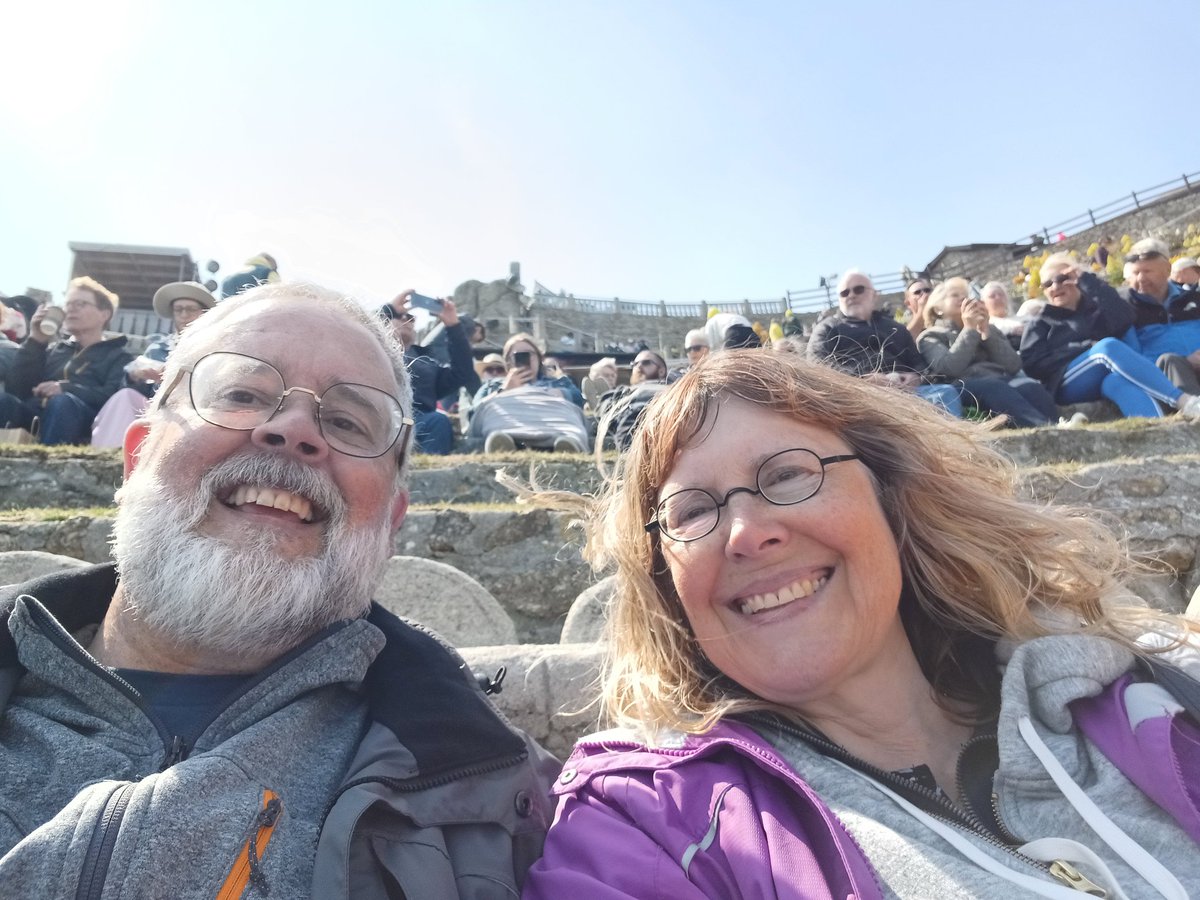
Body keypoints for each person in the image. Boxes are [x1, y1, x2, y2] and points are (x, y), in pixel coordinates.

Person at [523, 350, 1200, 898]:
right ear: (664, 582)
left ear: (891, 496)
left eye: (789, 474)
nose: (747, 533)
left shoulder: (1151, 692)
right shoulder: (644, 825)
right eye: (692, 511)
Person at [0, 281, 555, 897]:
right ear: (136, 459)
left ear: (391, 523)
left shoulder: (509, 808)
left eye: (346, 420)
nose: (294, 429)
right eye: (242, 394)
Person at [1019, 252, 1200, 419]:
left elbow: (1124, 317)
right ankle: (1184, 401)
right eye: (1048, 284)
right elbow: (1033, 365)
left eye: (1062, 278)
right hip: (1065, 383)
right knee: (1108, 347)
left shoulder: (1095, 311)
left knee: (1117, 382)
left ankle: (1162, 431)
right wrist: (1085, 347)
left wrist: (1087, 279)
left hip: (1103, 376)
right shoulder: (1040, 322)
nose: (1055, 286)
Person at [807, 270, 962, 416]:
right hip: (856, 396)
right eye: (844, 293)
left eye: (858, 289)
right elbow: (816, 365)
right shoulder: (827, 328)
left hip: (907, 392)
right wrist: (860, 378)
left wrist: (915, 377)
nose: (851, 295)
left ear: (874, 295)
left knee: (946, 393)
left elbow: (919, 363)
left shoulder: (896, 328)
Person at [0, 276, 132, 444]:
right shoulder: (55, 350)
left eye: (80, 304)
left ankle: (50, 466)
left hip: (83, 419)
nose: (70, 310)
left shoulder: (118, 356)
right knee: (4, 401)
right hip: (38, 413)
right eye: (67, 304)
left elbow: (112, 396)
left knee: (62, 403)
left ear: (104, 314)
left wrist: (65, 388)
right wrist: (35, 340)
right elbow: (17, 389)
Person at [91, 281, 217, 447]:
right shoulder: (157, 348)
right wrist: (135, 377)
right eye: (179, 309)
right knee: (124, 396)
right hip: (155, 411)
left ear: (203, 313)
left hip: (196, 413)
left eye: (191, 309)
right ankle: (110, 454)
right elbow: (139, 391)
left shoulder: (216, 348)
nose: (184, 314)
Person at [919, 277, 1059, 427]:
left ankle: (1057, 428)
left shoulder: (988, 327)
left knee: (1030, 386)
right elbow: (949, 368)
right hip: (962, 385)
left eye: (965, 295)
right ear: (937, 309)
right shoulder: (930, 336)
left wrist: (987, 333)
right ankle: (1042, 427)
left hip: (1000, 380)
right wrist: (970, 330)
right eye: (955, 295)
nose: (963, 298)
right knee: (993, 387)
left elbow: (1013, 365)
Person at [380, 290, 477, 454]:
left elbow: (462, 373)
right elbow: (356, 338)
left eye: (411, 318)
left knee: (438, 420)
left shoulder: (427, 362)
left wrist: (453, 325)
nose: (406, 320)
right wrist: (388, 310)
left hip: (421, 421)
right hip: (380, 416)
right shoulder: (369, 352)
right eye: (400, 316)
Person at [471, 333, 588, 453]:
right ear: (508, 362)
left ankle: (567, 443)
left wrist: (562, 393)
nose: (525, 360)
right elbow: (475, 410)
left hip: (552, 417)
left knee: (570, 414)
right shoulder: (493, 385)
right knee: (494, 416)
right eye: (517, 356)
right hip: (508, 420)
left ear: (539, 359)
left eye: (529, 354)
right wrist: (504, 390)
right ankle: (504, 443)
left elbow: (579, 400)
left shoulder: (559, 382)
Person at [1121, 238, 1200, 394]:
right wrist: (1186, 361)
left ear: (1167, 270)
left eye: (1147, 271)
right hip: (1167, 378)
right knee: (1170, 360)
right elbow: (1133, 359)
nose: (1141, 278)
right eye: (1136, 272)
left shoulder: (1193, 297)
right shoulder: (1126, 310)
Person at [596, 350, 672, 451]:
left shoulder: (673, 388)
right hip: (631, 416)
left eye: (646, 363)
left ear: (661, 370)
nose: (638, 366)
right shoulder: (624, 391)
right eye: (635, 364)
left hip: (662, 412)